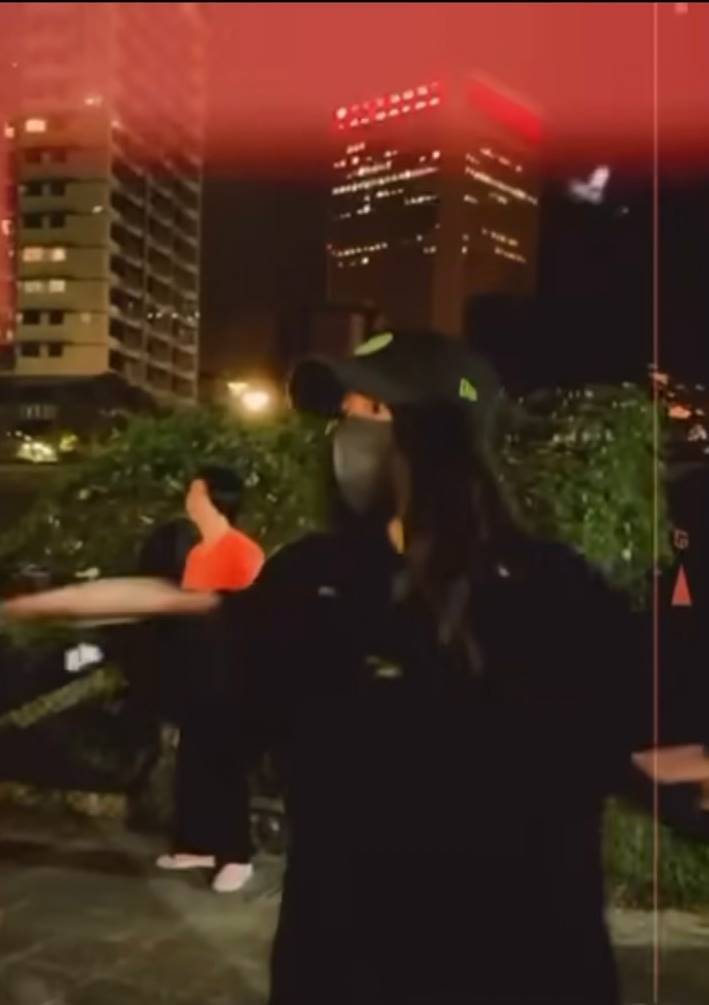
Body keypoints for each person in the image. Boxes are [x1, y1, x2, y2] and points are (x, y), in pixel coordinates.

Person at [5, 330, 709, 1004]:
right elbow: (202, 635)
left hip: (523, 968)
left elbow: (644, 743)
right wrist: (67, 608)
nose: (347, 434)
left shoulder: (552, 590)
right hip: (342, 967)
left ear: (443, 436)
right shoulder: (315, 579)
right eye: (344, 414)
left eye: (371, 410)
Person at [157, 466, 264, 893]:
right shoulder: (198, 554)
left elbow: (252, 622)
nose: (189, 499)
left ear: (216, 500)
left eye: (195, 492)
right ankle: (198, 844)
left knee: (225, 764)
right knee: (194, 760)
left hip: (231, 674)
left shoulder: (243, 552)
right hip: (197, 671)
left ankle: (237, 855)